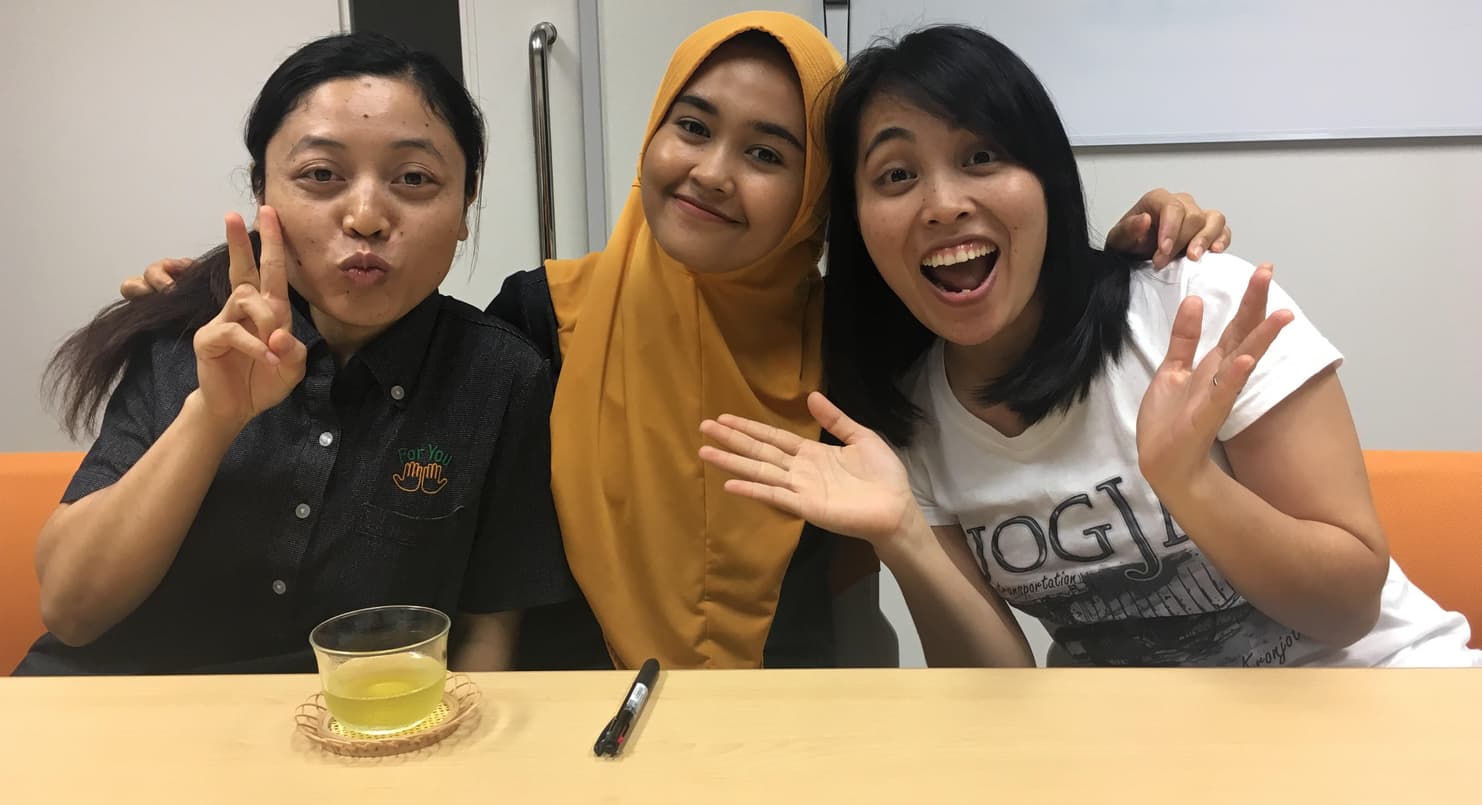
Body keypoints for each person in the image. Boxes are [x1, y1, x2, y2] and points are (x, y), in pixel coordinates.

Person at [115, 13, 1230, 670]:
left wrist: (1143, 237)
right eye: (691, 127)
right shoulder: (537, 313)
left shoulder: (855, 338)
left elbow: (997, 312)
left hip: (804, 707)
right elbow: (380, 317)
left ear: (817, 191)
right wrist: (216, 278)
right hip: (574, 711)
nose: (708, 168)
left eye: (766, 150)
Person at [698, 25, 1481, 667]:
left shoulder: (1193, 307)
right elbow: (999, 689)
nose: (942, 204)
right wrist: (903, 532)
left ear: (1048, 180)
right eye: (896, 175)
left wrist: (1191, 484)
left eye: (981, 157)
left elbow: (1349, 608)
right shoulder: (910, 417)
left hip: (1390, 696)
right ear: (859, 226)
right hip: (1160, 754)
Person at [15, 33, 575, 676]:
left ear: (465, 206)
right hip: (115, 720)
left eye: (414, 178)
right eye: (320, 175)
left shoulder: (502, 378)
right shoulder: (190, 341)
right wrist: (213, 415)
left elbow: (488, 631)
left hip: (345, 738)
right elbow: (71, 610)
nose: (366, 216)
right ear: (263, 192)